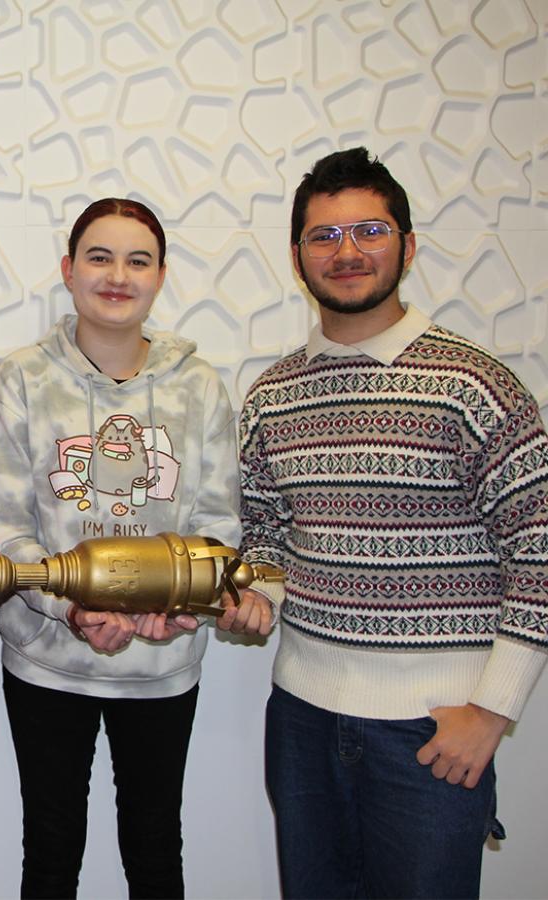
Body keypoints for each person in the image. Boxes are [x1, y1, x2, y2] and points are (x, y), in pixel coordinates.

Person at [238, 146, 548, 898]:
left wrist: (493, 710)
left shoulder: (475, 384)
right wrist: (260, 596)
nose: (347, 252)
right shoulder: (272, 394)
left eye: (369, 232)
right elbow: (268, 535)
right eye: (324, 236)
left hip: (432, 731)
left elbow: (540, 549)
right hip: (303, 721)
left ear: (407, 246)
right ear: (297, 257)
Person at [0, 197, 273, 899]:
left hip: (163, 661)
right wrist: (72, 609)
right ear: (68, 270)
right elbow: (8, 526)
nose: (118, 275)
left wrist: (173, 607)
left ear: (161, 276)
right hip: (48, 663)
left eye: (138, 260)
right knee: (49, 850)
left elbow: (217, 522)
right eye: (100, 257)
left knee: (154, 844)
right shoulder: (21, 378)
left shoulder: (200, 386)